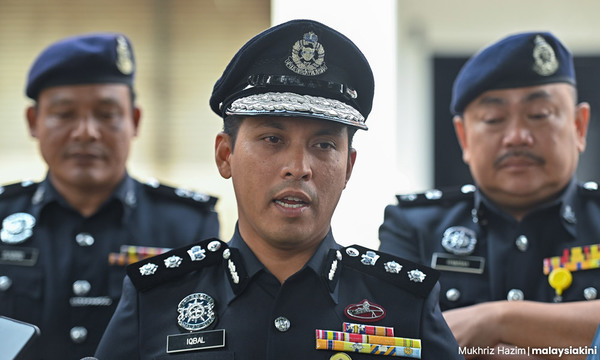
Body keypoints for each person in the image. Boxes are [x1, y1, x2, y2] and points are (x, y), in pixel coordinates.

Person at [95, 19, 462, 359]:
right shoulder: (155, 298)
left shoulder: (403, 303)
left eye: (323, 146)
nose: (298, 168)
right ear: (226, 155)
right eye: (272, 139)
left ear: (348, 167)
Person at [379, 31, 600, 359]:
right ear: (464, 136)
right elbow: (393, 342)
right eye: (494, 119)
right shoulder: (415, 227)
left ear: (579, 127)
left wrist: (495, 320)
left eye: (539, 115)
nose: (516, 137)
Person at [0, 33, 220, 359]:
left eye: (106, 114)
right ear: (33, 122)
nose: (86, 132)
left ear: (134, 120)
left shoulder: (186, 226)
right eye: (64, 114)